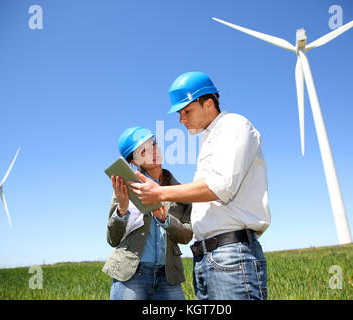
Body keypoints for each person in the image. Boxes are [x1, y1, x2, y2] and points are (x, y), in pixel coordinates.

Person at [130, 71, 271, 300]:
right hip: (206, 259)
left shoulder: (234, 125)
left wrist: (160, 192)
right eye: (179, 113)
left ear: (208, 103)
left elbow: (221, 187)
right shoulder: (209, 139)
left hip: (231, 256)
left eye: (186, 111)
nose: (181, 120)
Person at [102, 126, 193, 300]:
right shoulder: (125, 189)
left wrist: (165, 219)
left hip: (168, 276)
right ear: (134, 162)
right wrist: (122, 208)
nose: (153, 152)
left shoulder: (180, 190)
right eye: (143, 151)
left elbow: (187, 235)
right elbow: (112, 239)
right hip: (131, 275)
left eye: (153, 144)